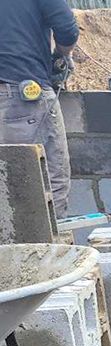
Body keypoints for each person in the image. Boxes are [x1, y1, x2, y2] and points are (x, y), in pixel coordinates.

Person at [0, 0, 78, 219]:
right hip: (22, 96)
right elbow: (67, 29)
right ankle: (49, 251)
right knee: (47, 184)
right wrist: (61, 55)